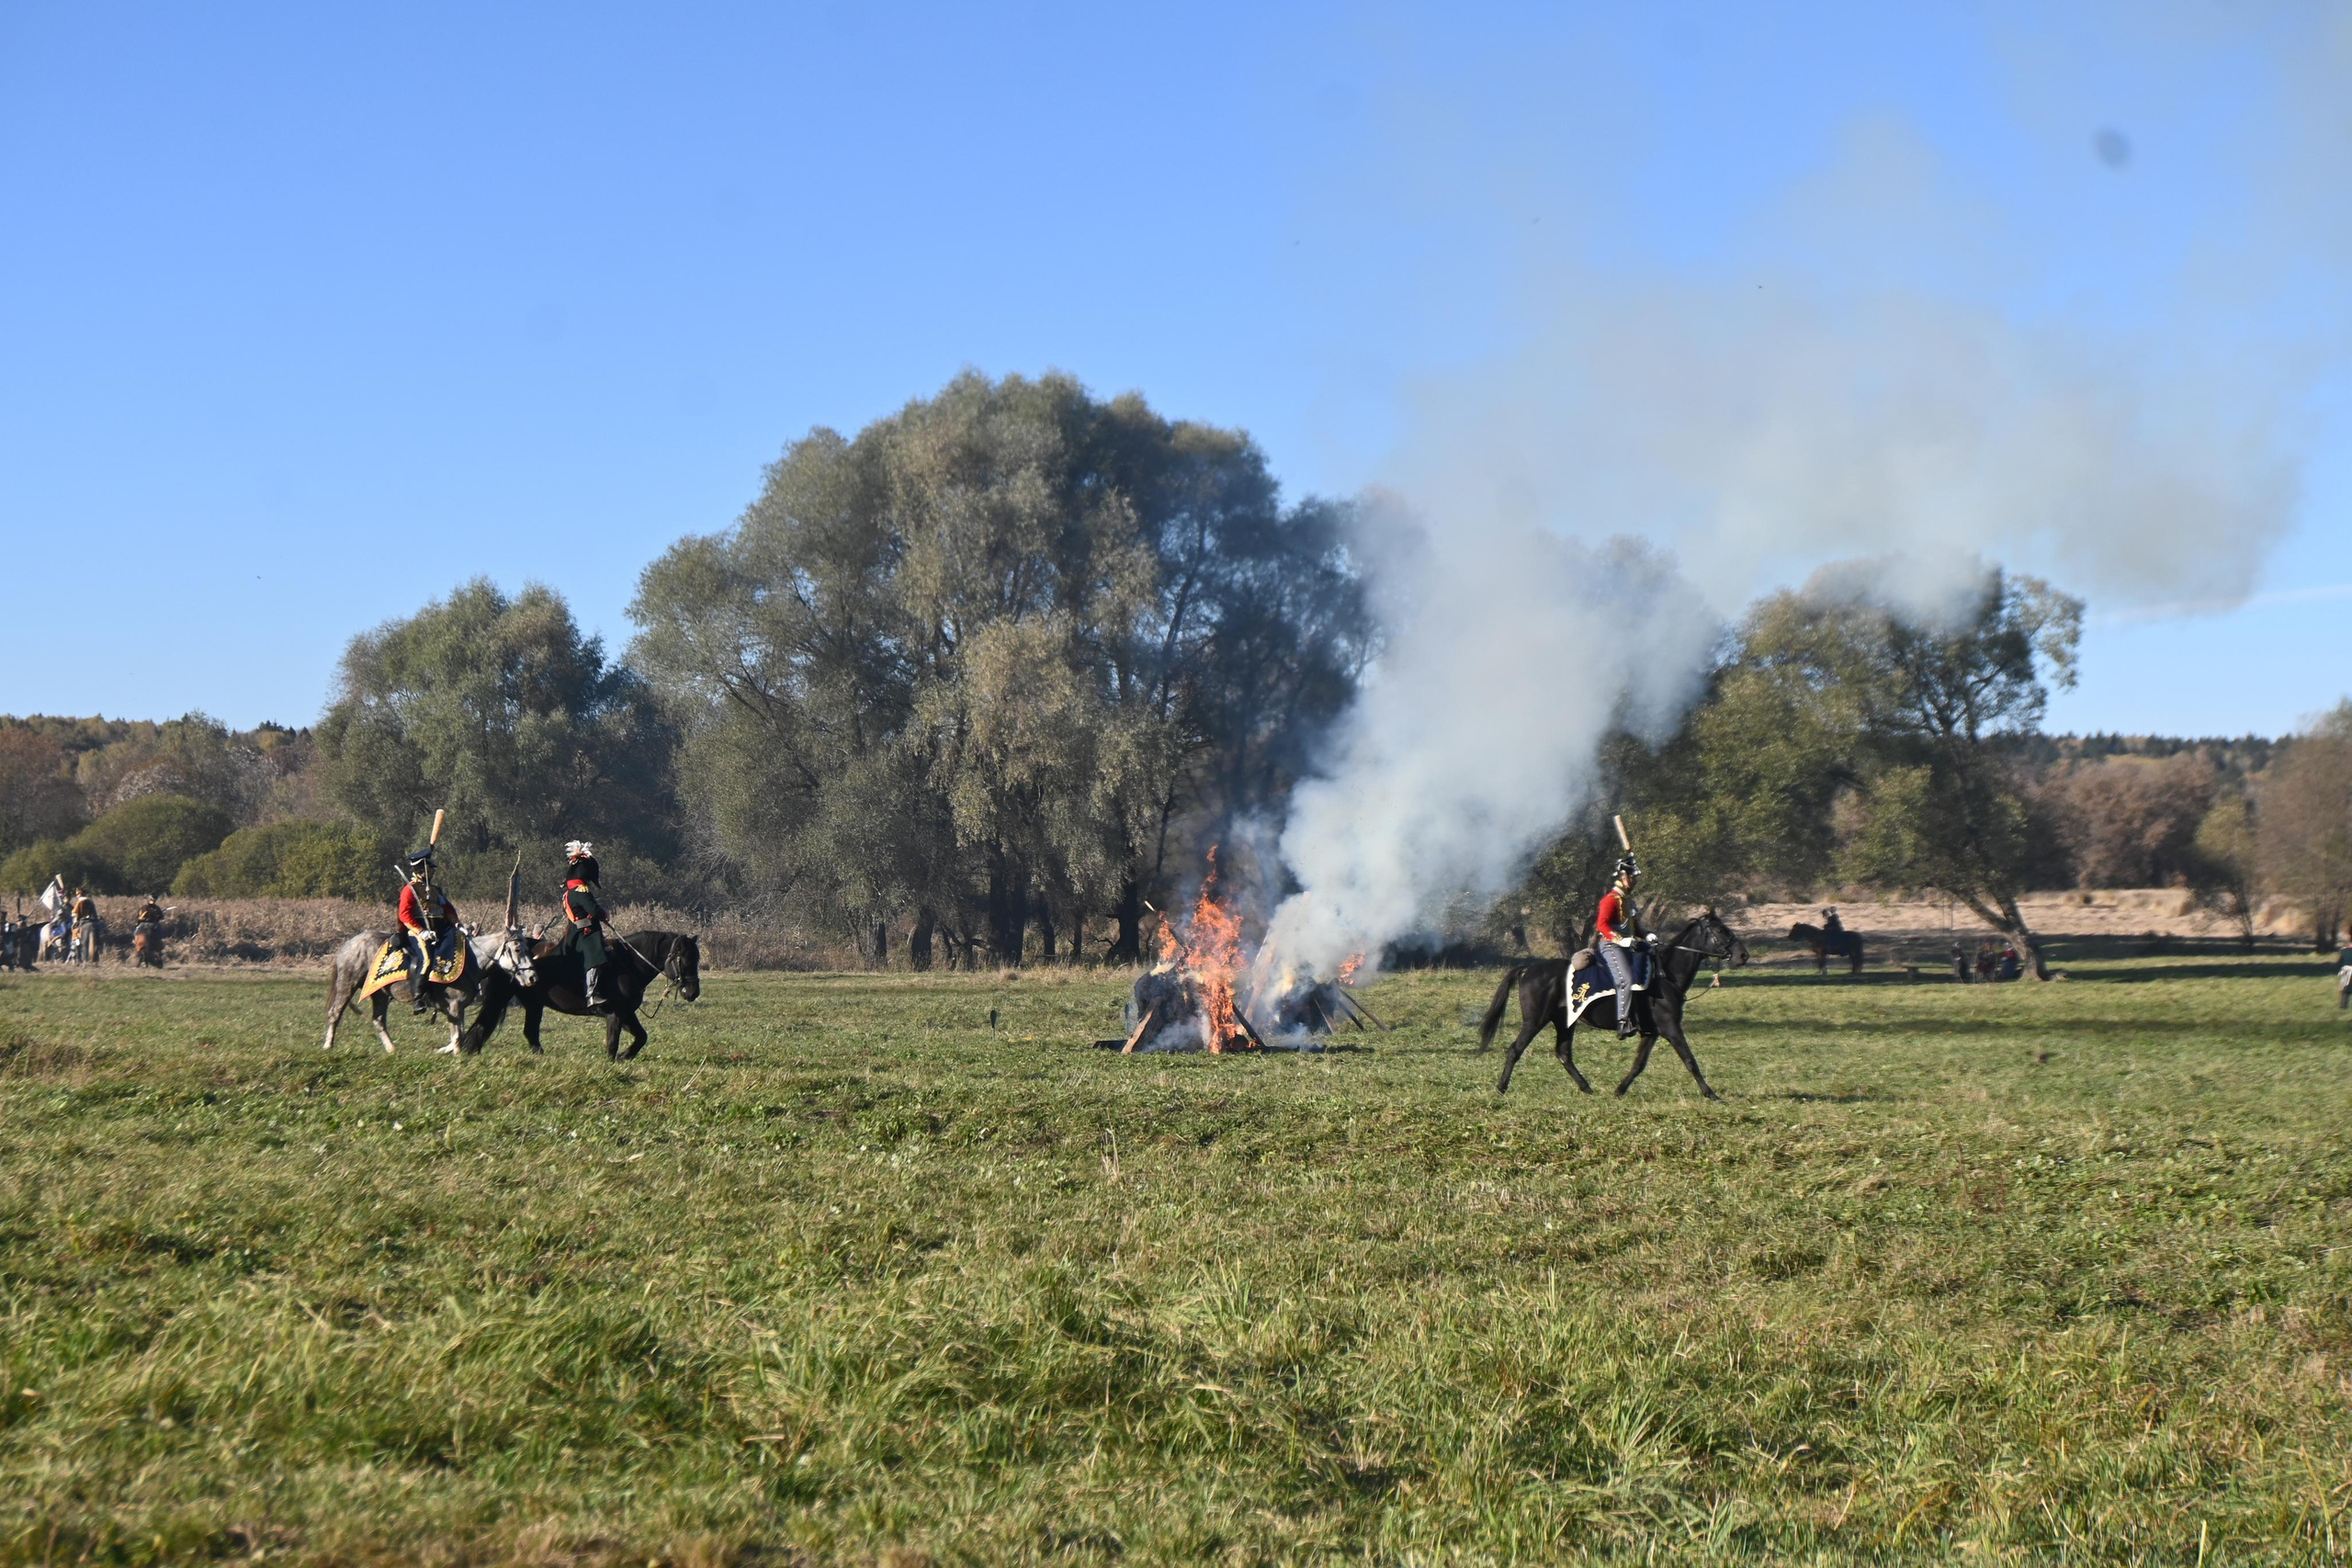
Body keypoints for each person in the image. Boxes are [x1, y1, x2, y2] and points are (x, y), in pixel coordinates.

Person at [393, 852, 459, 1013]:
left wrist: (455, 921)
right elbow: (404, 914)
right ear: (419, 871)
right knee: (428, 959)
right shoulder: (410, 890)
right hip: (417, 931)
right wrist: (421, 932)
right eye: (428, 870)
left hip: (439, 929)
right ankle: (418, 998)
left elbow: (446, 908)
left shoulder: (436, 890)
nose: (431, 872)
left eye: (430, 870)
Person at [1593, 855, 1651, 1039]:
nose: (1635, 880)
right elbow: (1602, 925)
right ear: (1623, 877)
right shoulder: (1610, 900)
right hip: (1611, 946)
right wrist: (1621, 940)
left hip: (1629, 947)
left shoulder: (1628, 901)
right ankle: (1623, 1022)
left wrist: (1647, 935)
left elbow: (1634, 926)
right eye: (1633, 877)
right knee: (1625, 979)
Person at [558, 840, 613, 1010]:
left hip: (576, 932)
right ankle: (592, 993)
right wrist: (603, 914)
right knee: (596, 957)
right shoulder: (581, 890)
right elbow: (593, 910)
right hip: (585, 933)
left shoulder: (569, 892)